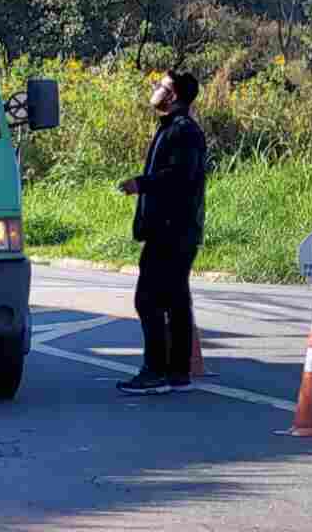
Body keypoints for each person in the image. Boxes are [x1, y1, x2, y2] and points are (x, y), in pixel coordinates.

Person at [116, 70, 208, 396]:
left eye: (163, 87)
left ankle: (155, 371)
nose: (156, 90)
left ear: (174, 96)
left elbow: (181, 176)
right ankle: (177, 372)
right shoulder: (173, 128)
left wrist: (141, 184)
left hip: (172, 230)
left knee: (149, 299)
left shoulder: (183, 131)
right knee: (175, 298)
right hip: (172, 229)